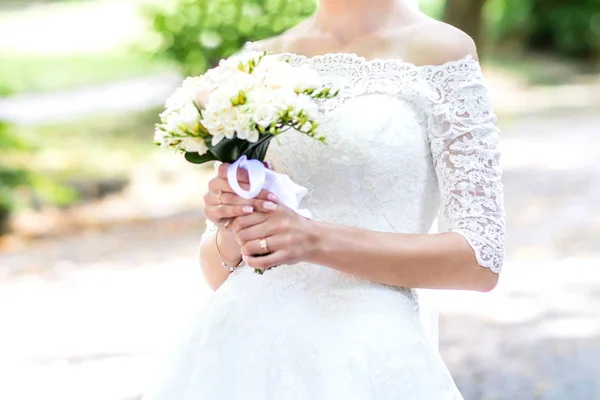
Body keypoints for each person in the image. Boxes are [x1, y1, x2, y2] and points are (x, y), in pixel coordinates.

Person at [142, 0, 505, 398]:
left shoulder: (444, 53)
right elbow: (217, 270)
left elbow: (479, 260)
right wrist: (234, 221)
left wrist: (314, 240)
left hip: (366, 354)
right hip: (237, 353)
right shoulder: (256, 62)